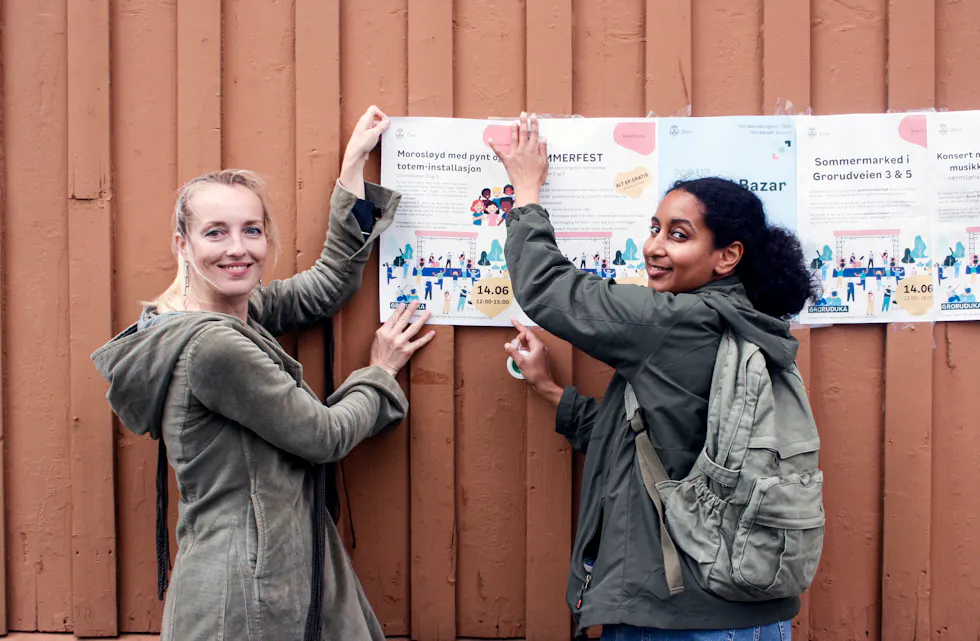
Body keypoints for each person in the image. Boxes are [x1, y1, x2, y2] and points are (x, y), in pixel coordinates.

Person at [92, 106, 435, 641]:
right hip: (244, 594)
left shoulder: (228, 312)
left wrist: (352, 173)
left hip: (259, 575)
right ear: (182, 244)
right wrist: (379, 372)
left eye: (251, 230)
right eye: (215, 232)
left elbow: (323, 288)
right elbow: (323, 435)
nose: (238, 248)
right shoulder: (214, 346)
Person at [492, 113, 819, 641]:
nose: (653, 246)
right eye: (654, 229)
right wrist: (551, 390)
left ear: (727, 256)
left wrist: (526, 191)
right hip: (752, 618)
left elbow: (550, 290)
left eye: (679, 235)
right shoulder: (745, 325)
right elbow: (658, 435)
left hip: (676, 617)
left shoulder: (678, 323)